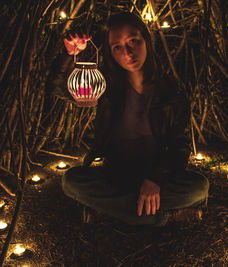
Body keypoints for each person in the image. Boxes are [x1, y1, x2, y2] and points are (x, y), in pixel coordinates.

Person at [47, 12, 209, 226]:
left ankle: (111, 212)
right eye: (117, 47)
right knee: (71, 181)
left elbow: (181, 145)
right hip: (116, 172)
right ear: (110, 52)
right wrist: (71, 54)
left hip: (156, 174)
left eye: (133, 41)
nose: (128, 52)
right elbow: (58, 88)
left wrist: (154, 179)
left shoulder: (172, 92)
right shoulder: (104, 86)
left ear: (146, 40)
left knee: (199, 187)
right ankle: (162, 217)